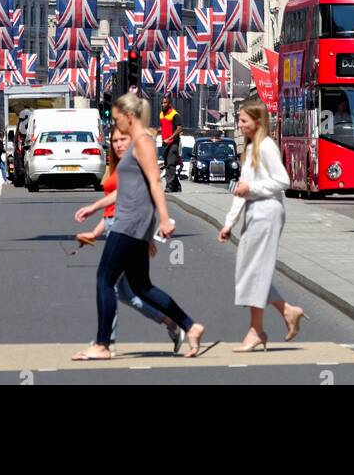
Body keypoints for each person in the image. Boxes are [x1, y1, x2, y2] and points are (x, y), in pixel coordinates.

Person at [72, 93, 204, 361]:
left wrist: (165, 219)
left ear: (129, 116)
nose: (116, 122)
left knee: (104, 280)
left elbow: (155, 182)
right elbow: (127, 189)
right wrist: (94, 208)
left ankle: (102, 345)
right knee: (142, 286)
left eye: (118, 118)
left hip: (130, 223)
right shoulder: (136, 144)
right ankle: (190, 326)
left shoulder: (142, 142)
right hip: (134, 222)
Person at [218, 97, 305, 352]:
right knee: (250, 270)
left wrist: (252, 187)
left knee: (255, 271)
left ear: (257, 122)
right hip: (256, 213)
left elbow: (283, 181)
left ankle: (256, 331)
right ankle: (287, 311)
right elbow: (241, 190)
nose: (240, 124)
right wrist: (228, 223)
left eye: (243, 120)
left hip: (268, 213)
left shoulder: (266, 146)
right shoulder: (250, 149)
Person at [159, 94, 182, 193]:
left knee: (170, 164)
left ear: (169, 104)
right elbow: (163, 127)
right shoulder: (161, 114)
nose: (163, 105)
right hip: (165, 144)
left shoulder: (175, 114)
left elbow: (179, 128)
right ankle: (177, 186)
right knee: (167, 164)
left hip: (173, 143)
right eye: (162, 103)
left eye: (165, 103)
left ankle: (170, 186)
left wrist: (170, 138)